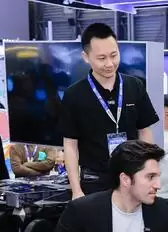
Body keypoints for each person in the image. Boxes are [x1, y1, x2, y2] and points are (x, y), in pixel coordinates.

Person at [59, 23, 159, 199]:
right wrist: (76, 190)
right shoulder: (74, 94)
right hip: (94, 181)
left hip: (131, 178)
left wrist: (148, 174)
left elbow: (145, 131)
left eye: (114, 55)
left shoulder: (134, 85)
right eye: (101, 58)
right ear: (86, 57)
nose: (109, 64)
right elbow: (70, 145)